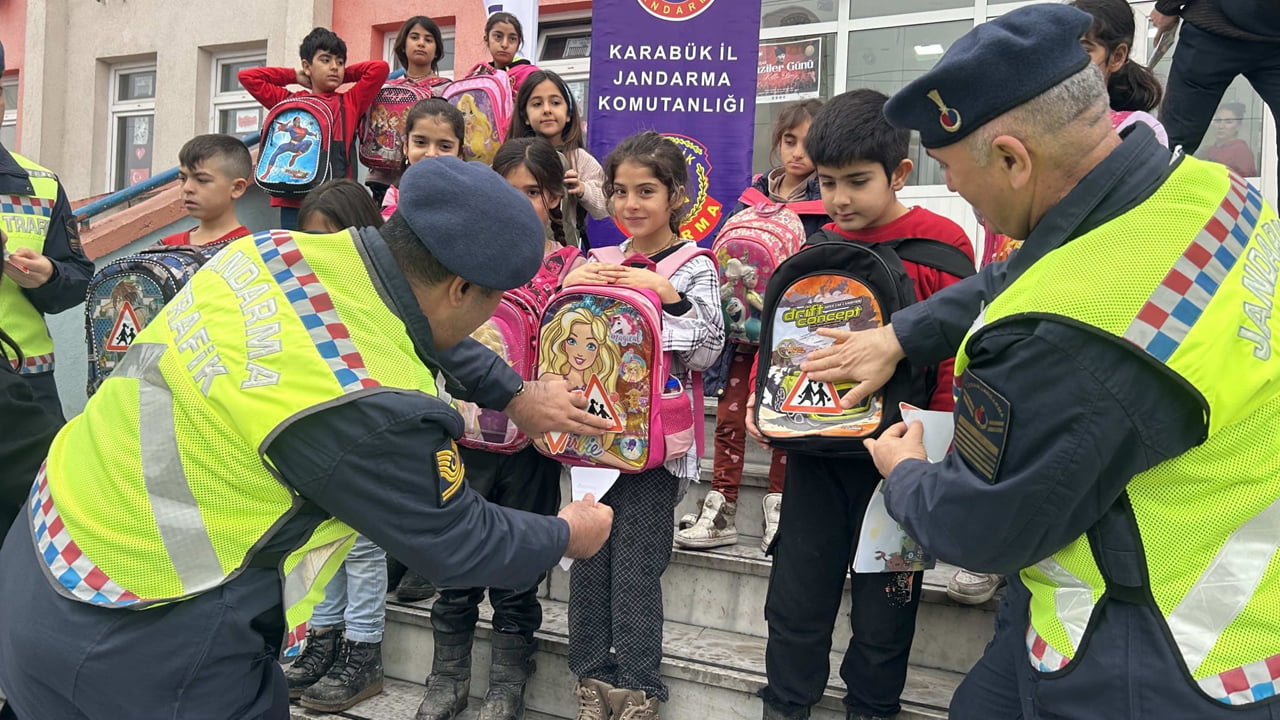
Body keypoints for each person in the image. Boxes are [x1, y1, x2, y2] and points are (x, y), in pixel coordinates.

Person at [0, 156, 617, 720]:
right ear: (461, 289)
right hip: (145, 638)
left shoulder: (270, 254)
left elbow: (412, 325)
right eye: (492, 303)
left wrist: (513, 393)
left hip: (44, 553)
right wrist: (568, 532)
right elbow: (459, 540)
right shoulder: (372, 407)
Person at [800, 5, 1280, 718]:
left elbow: (984, 529)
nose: (954, 190)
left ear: (1013, 160)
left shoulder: (1069, 335)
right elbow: (1032, 267)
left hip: (1149, 656)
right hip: (1222, 596)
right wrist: (903, 334)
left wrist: (906, 476)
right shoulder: (1212, 194)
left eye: (956, 172)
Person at [743, 89, 972, 720]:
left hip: (897, 465)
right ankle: (784, 708)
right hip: (814, 459)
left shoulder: (941, 244)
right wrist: (767, 405)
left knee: (885, 614)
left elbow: (956, 353)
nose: (839, 199)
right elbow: (784, 340)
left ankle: (872, 711)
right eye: (827, 182)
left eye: (857, 182)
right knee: (795, 605)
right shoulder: (812, 246)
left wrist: (939, 443)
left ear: (900, 173)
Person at [414, 137, 579, 720]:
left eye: (533, 193)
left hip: (531, 447)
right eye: (508, 191)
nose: (520, 203)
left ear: (554, 198)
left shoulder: (573, 269)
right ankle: (447, 678)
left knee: (518, 570)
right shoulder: (463, 262)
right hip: (463, 438)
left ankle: (508, 683)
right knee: (453, 564)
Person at [562, 131, 725, 720]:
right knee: (587, 561)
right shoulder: (597, 261)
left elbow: (707, 351)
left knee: (636, 563)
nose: (632, 204)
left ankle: (636, 687)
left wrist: (665, 294)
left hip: (657, 446)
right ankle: (589, 679)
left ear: (676, 195)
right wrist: (580, 288)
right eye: (621, 191)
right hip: (592, 438)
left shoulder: (696, 264)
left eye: (647, 191)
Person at [677, 99, 827, 554]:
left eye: (810, 144)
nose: (797, 153)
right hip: (739, 332)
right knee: (729, 418)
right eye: (789, 140)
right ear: (777, 142)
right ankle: (721, 505)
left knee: (781, 416)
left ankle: (780, 506)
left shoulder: (825, 205)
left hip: (791, 336)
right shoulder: (752, 196)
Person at [279, 179, 392, 712]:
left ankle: (363, 651)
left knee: (365, 544)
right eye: (310, 239)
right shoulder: (305, 288)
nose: (317, 251)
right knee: (323, 538)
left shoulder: (383, 290)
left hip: (371, 430)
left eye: (329, 238)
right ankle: (321, 644)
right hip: (320, 427)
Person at [0, 40, 95, 424]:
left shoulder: (42, 184)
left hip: (28, 381)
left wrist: (49, 277)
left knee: (42, 485)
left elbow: (77, 276)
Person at [239, 27, 389, 229]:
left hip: (334, 200)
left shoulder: (349, 103)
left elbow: (379, 69)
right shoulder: (289, 100)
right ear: (306, 66)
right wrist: (294, 76)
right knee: (298, 255)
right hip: (293, 196)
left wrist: (336, 74)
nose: (334, 67)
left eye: (340, 62)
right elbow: (247, 76)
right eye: (325, 60)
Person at [1152, 0, 1279, 191]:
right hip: (1216, 27)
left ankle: (1146, 213)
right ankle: (1148, 215)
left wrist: (1167, 6)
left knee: (1174, 144)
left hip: (1215, 28)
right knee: (1173, 146)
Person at [508, 69, 608, 248]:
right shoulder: (511, 157)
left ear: (569, 113)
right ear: (525, 117)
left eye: (555, 103)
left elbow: (606, 206)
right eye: (537, 104)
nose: (547, 110)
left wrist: (583, 189)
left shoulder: (579, 159)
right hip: (516, 249)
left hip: (564, 257)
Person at [365, 15, 453, 203]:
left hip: (427, 176)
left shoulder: (447, 89)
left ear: (437, 50)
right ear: (403, 46)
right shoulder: (384, 86)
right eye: (414, 37)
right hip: (382, 177)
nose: (421, 43)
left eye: (428, 40)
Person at [1072, 0, 1169, 146]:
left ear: (1117, 57)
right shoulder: (1038, 123)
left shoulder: (1137, 129)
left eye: (1084, 50)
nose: (1068, 60)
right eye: (1061, 49)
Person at [159, 134, 254, 247]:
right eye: (183, 179)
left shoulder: (251, 252)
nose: (187, 188)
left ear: (237, 188)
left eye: (201, 180)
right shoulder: (165, 247)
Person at [381, 99, 466, 220]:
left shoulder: (468, 200)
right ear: (406, 146)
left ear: (460, 154)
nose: (431, 154)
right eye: (420, 142)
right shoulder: (394, 197)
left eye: (445, 147)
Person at [479, 12, 539, 97]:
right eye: (498, 36)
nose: (504, 44)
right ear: (486, 40)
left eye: (512, 39)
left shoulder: (531, 76)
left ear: (518, 44)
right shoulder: (479, 79)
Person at [1201, 101, 1259, 177]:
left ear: (1238, 125)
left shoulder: (1241, 151)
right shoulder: (1207, 150)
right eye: (1218, 121)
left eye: (1228, 122)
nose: (1221, 126)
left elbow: (1246, 182)